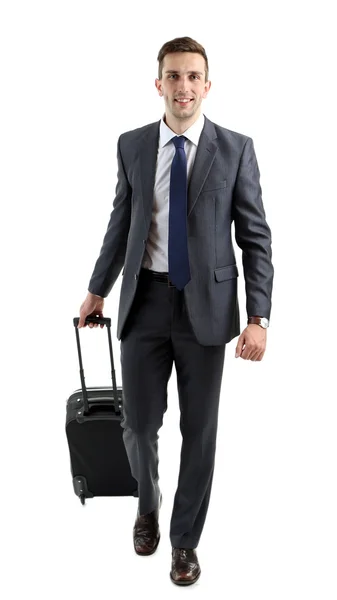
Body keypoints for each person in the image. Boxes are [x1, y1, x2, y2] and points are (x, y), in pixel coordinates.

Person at [78, 36, 274, 586]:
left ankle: (184, 542)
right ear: (158, 83)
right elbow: (121, 224)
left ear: (206, 86)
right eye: (173, 76)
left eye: (193, 76)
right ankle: (147, 503)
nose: (183, 86)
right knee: (138, 427)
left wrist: (259, 317)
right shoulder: (133, 145)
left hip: (207, 311)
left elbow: (256, 237)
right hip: (144, 303)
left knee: (200, 431)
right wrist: (97, 288)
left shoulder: (236, 148)